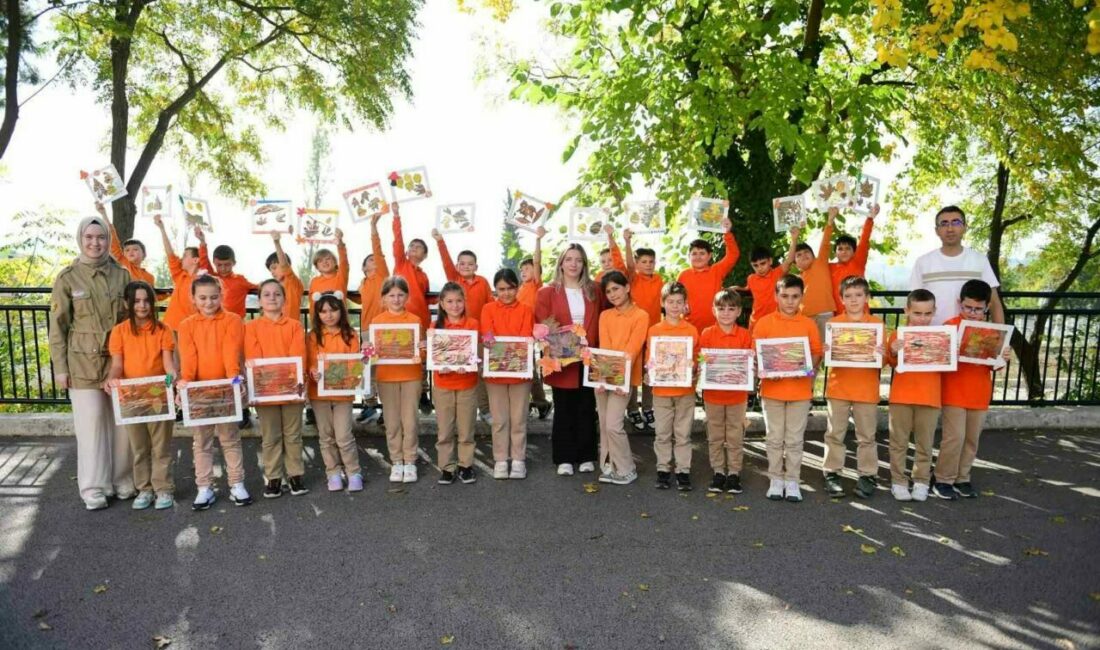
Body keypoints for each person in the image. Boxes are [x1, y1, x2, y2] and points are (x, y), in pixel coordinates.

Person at [49, 216, 131, 511]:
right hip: (82, 364)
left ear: (108, 241)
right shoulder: (68, 277)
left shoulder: (122, 275)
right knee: (91, 424)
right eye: (90, 237)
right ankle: (93, 487)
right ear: (80, 239)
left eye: (101, 237)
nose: (95, 243)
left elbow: (131, 319)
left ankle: (122, 479)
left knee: (122, 424)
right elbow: (57, 327)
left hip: (119, 362)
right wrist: (60, 367)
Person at [177, 275, 251, 510]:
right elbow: (188, 359)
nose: (208, 302)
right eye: (203, 298)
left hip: (226, 390)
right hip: (199, 392)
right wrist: (185, 383)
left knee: (230, 438)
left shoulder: (233, 320)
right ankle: (204, 487)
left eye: (213, 297)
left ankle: (237, 484)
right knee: (201, 442)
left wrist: (235, 379)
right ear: (193, 298)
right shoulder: (187, 325)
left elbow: (232, 353)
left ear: (221, 295)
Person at [934, 280, 1011, 500]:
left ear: (987, 307)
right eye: (968, 308)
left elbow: (996, 366)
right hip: (954, 391)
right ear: (960, 304)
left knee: (971, 439)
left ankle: (962, 478)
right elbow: (938, 359)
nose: (972, 313)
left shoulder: (994, 332)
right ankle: (943, 479)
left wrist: (1003, 357)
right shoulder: (949, 326)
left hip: (979, 392)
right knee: (954, 438)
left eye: (978, 309)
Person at [105, 281, 177, 510]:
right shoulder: (119, 331)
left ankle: (163, 489)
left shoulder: (163, 330)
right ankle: (144, 489)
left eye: (146, 300)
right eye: (137, 301)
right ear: (128, 303)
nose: (142, 305)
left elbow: (168, 365)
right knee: (139, 448)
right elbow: (117, 365)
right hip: (131, 396)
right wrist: (112, 379)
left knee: (161, 447)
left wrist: (173, 378)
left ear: (153, 302)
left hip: (158, 395)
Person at [752, 274, 822, 503]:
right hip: (772, 391)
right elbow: (757, 356)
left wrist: (806, 367)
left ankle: (792, 480)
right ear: (776, 296)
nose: (790, 301)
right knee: (774, 438)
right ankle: (775, 479)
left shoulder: (808, 324)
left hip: (800, 392)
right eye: (784, 296)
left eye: (795, 296)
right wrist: (763, 368)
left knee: (794, 439)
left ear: (801, 297)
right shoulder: (764, 323)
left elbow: (816, 352)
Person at [535, 244, 603, 477]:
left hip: (588, 357)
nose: (574, 264)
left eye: (579, 260)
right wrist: (560, 346)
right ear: (561, 263)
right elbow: (543, 325)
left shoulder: (594, 290)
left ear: (584, 264)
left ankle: (586, 456)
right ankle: (564, 457)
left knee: (586, 407)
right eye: (569, 259)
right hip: (561, 358)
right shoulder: (547, 292)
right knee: (563, 408)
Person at [244, 279, 308, 499]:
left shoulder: (294, 326)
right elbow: (253, 357)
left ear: (284, 299)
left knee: (293, 435)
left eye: (277, 294)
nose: (272, 298)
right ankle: (273, 477)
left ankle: (295, 475)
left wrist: (288, 380)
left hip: (291, 389)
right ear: (259, 300)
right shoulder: (251, 327)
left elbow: (297, 355)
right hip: (265, 392)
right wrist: (265, 383)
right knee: (270, 436)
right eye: (267, 294)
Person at [821, 276, 884, 499]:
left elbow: (883, 363)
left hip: (866, 389)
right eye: (848, 296)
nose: (854, 300)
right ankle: (832, 472)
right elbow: (824, 359)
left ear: (867, 297)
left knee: (866, 436)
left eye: (858, 295)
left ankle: (867, 474)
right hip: (838, 388)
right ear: (841, 299)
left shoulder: (877, 325)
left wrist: (882, 355)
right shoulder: (833, 324)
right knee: (834, 434)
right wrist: (826, 350)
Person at [885, 289, 941, 502]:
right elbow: (890, 363)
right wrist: (893, 350)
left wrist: (949, 352)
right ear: (907, 310)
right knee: (898, 442)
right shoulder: (897, 334)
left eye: (927, 314)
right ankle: (898, 481)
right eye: (917, 313)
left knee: (924, 443)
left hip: (930, 396)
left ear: (934, 312)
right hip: (901, 396)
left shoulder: (940, 337)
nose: (922, 318)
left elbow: (948, 367)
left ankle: (921, 481)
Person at [432, 229, 493, 424]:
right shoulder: (454, 279)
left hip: (477, 333)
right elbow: (445, 261)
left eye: (470, 263)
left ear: (476, 265)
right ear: (457, 266)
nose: (466, 266)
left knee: (480, 371)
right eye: (462, 263)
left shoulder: (483, 282)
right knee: (454, 369)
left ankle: (484, 409)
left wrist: (489, 331)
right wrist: (440, 241)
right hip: (454, 335)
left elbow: (490, 305)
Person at [480, 268, 535, 480]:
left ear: (517, 287)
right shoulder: (488, 309)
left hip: (520, 373)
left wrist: (510, 352)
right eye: (501, 289)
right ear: (495, 289)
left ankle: (519, 459)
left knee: (519, 418)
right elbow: (488, 336)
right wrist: (496, 346)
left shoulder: (526, 310)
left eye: (510, 288)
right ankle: (501, 460)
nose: (506, 293)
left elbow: (524, 337)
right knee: (500, 420)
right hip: (495, 374)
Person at [595, 271, 648, 485]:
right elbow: (605, 347)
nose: (612, 294)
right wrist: (602, 379)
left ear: (627, 287)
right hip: (604, 375)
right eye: (608, 291)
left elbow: (633, 349)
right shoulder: (605, 316)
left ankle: (627, 469)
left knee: (613, 425)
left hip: (624, 378)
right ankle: (609, 465)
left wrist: (619, 379)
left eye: (616, 288)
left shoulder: (641, 315)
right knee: (604, 424)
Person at [307, 294, 365, 492]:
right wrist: (313, 370)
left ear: (341, 310)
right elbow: (310, 362)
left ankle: (353, 471)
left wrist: (356, 375)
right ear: (317, 314)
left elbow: (355, 364)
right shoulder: (314, 336)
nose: (329, 315)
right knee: (326, 436)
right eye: (323, 311)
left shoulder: (351, 335)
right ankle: (332, 472)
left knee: (344, 436)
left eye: (333, 310)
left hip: (343, 394)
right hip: (319, 393)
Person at [910, 205, 1004, 325]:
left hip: (970, 338)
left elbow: (994, 302)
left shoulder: (979, 260)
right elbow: (913, 304)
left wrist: (1001, 337)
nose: (950, 229)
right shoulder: (923, 262)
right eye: (944, 223)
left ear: (965, 227)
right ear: (936, 230)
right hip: (933, 336)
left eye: (956, 222)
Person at [370, 276, 424, 483]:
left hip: (411, 376)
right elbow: (372, 355)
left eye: (400, 295)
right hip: (386, 377)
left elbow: (421, 352)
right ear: (384, 298)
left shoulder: (414, 320)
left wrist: (422, 350)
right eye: (391, 295)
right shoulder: (377, 322)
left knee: (410, 421)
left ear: (407, 297)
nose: (396, 299)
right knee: (392, 423)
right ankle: (396, 461)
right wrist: (370, 353)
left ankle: (410, 460)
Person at [699, 289, 753, 494]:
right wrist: (704, 362)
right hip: (713, 395)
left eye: (731, 309)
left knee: (735, 435)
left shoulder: (745, 335)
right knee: (714, 435)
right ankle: (718, 472)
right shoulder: (707, 334)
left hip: (737, 397)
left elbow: (749, 365)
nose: (726, 313)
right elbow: (701, 360)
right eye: (721, 308)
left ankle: (734, 473)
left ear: (739, 311)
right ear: (714, 310)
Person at [647, 281, 699, 491]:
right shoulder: (654, 330)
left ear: (685, 304)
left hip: (685, 391)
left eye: (679, 302)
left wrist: (693, 366)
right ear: (663, 303)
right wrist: (650, 368)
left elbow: (697, 359)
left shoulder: (692, 330)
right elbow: (652, 359)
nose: (675, 306)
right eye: (671, 302)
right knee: (662, 433)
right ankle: (663, 469)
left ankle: (683, 470)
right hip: (661, 391)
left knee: (683, 434)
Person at [430, 282, 480, 485]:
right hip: (442, 384)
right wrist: (439, 365)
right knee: (444, 429)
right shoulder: (435, 327)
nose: (455, 305)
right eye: (449, 301)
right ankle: (447, 467)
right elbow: (434, 356)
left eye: (459, 300)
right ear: (441, 303)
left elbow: (474, 352)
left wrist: (466, 363)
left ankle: (465, 465)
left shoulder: (472, 324)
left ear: (464, 302)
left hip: (467, 382)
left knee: (466, 428)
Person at [621, 229, 663, 432]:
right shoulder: (633, 279)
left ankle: (648, 407)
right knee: (633, 372)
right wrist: (627, 242)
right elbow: (628, 264)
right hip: (634, 332)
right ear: (637, 264)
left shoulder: (659, 280)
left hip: (653, 334)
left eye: (651, 261)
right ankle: (632, 408)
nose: (648, 265)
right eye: (644, 261)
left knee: (650, 371)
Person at [348, 213, 388, 423]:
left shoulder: (383, 277)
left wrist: (373, 227)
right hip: (366, 332)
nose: (375, 260)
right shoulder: (362, 284)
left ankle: (387, 409)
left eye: (376, 259)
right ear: (363, 268)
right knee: (367, 368)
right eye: (370, 260)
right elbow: (357, 299)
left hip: (384, 331)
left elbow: (378, 252)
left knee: (386, 368)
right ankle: (370, 405)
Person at [677, 217, 738, 331]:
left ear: (709, 256)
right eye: (694, 254)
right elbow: (676, 298)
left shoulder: (716, 270)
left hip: (715, 328)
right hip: (689, 328)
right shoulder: (683, 275)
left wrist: (727, 233)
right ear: (689, 257)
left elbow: (733, 255)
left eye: (702, 253)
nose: (698, 257)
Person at [516, 227, 552, 419]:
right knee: (525, 367)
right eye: (522, 270)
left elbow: (537, 260)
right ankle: (538, 401)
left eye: (527, 268)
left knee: (528, 368)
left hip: (528, 333)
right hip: (517, 332)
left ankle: (540, 401)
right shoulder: (520, 288)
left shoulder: (536, 284)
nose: (524, 271)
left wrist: (538, 240)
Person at [154, 215, 212, 332]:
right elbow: (170, 253)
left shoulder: (203, 279)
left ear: (195, 260)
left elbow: (204, 260)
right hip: (170, 328)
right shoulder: (180, 276)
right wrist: (162, 229)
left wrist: (202, 242)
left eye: (185, 256)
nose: (181, 259)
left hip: (191, 330)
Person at [732, 231, 797, 330]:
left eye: (763, 263)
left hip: (776, 321)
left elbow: (789, 260)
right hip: (756, 321)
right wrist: (735, 288)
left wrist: (794, 238)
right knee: (755, 346)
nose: (760, 268)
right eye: (755, 265)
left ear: (770, 261)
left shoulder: (777, 273)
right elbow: (747, 290)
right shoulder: (751, 278)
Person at [793, 208, 837, 340]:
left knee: (826, 349)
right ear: (795, 264)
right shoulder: (797, 279)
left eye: (807, 252)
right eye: (799, 255)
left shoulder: (820, 263)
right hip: (805, 316)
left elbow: (825, 243)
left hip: (825, 313)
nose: (803, 255)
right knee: (810, 349)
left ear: (814, 255)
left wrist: (830, 220)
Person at [829, 204, 879, 314]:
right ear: (835, 252)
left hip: (862, 316)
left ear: (854, 251)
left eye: (848, 248)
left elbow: (864, 238)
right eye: (840, 249)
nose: (844, 251)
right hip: (839, 317)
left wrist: (870, 218)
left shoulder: (858, 262)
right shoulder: (830, 268)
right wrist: (830, 220)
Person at [210, 244, 258, 318]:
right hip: (217, 321)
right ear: (214, 263)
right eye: (219, 265)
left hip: (237, 321)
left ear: (234, 263)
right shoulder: (213, 278)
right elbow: (205, 264)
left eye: (227, 265)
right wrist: (202, 243)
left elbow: (259, 287)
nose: (223, 268)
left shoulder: (240, 280)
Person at [308, 228, 349, 311]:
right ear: (317, 267)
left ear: (335, 262)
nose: (325, 262)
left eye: (328, 259)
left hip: (340, 321)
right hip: (320, 322)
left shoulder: (341, 277)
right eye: (320, 261)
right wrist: (314, 322)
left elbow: (344, 261)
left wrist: (339, 242)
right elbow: (312, 305)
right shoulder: (314, 281)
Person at [267, 232, 305, 322]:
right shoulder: (275, 287)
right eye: (270, 270)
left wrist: (276, 243)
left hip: (291, 330)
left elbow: (284, 265)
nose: (272, 272)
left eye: (274, 268)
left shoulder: (292, 282)